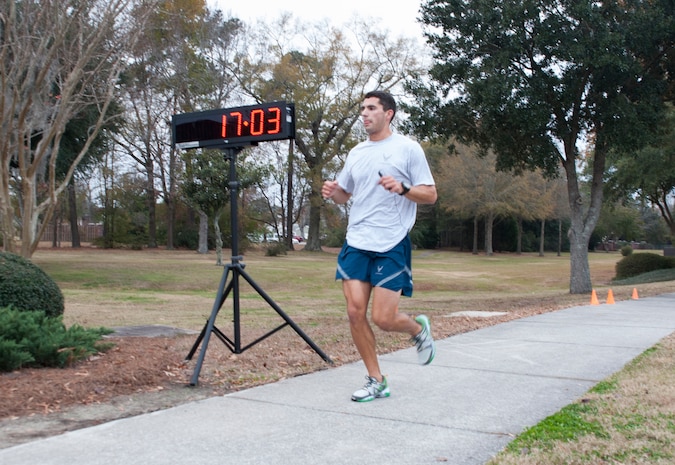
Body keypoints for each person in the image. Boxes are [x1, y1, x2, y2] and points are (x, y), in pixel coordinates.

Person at [321, 90, 438, 402]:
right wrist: (334, 191)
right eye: (362, 109)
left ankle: (416, 330)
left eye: (371, 108)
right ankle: (376, 379)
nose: (365, 114)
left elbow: (430, 194)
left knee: (384, 319)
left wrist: (403, 188)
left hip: (391, 241)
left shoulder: (407, 149)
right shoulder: (357, 153)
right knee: (354, 312)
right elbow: (346, 194)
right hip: (357, 240)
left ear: (389, 114)